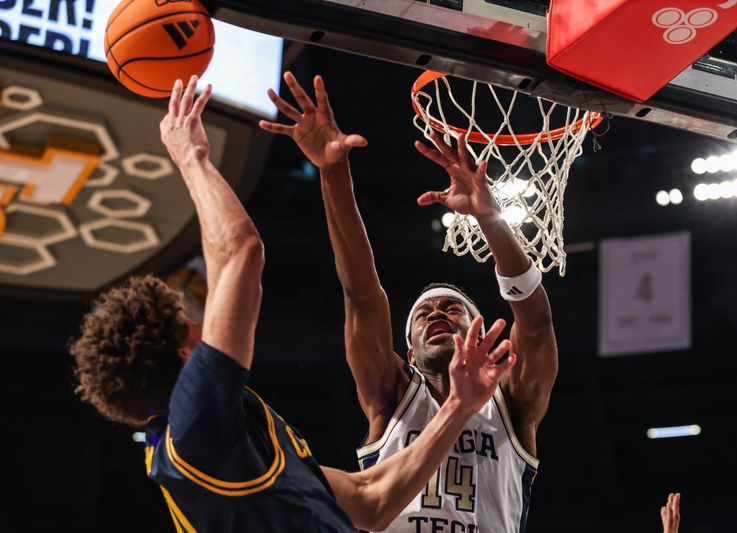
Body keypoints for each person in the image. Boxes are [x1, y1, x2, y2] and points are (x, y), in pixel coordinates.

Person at [69, 76, 519, 533]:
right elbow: (241, 251)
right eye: (185, 320)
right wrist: (191, 157)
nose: (198, 319)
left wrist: (460, 406)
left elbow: (373, 500)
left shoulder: (225, 441)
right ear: (186, 356)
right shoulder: (196, 420)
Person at [260, 72, 559, 532]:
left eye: (452, 309)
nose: (436, 313)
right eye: (423, 314)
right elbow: (362, 296)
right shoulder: (392, 395)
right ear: (410, 353)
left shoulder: (511, 403)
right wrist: (332, 171)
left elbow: (535, 324)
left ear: (480, 333)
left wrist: (490, 218)